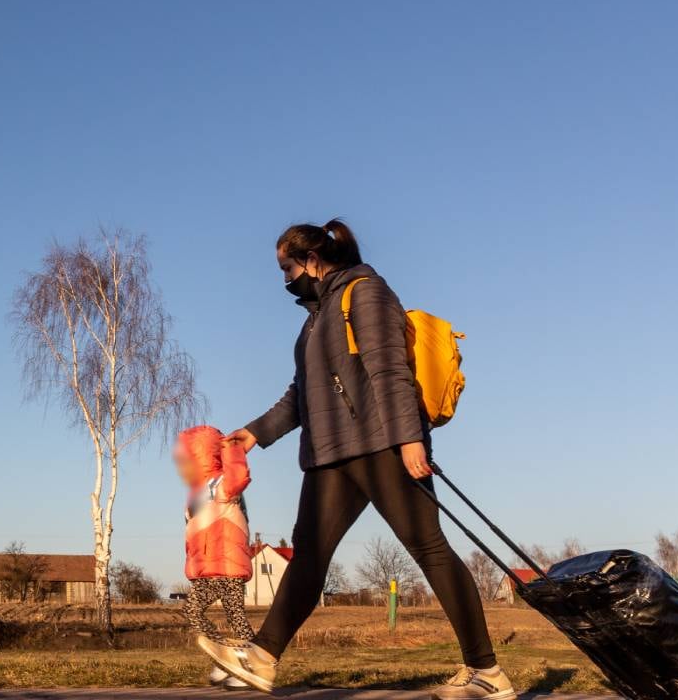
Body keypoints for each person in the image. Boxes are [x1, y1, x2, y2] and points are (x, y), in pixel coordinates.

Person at [196, 220, 515, 700]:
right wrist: (255, 434)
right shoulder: (314, 320)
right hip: (329, 454)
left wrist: (410, 441)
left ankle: (486, 672)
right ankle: (261, 658)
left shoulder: (365, 293)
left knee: (428, 548)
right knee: (309, 555)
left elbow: (390, 370)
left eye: (287, 268)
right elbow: (301, 395)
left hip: (381, 443)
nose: (284, 279)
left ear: (312, 260)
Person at [173, 425, 256, 691]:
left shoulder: (223, 484)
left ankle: (251, 663)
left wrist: (231, 449)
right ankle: (227, 658)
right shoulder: (195, 495)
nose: (181, 467)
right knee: (193, 611)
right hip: (207, 569)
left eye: (186, 459)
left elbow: (240, 476)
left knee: (235, 617)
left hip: (229, 567)